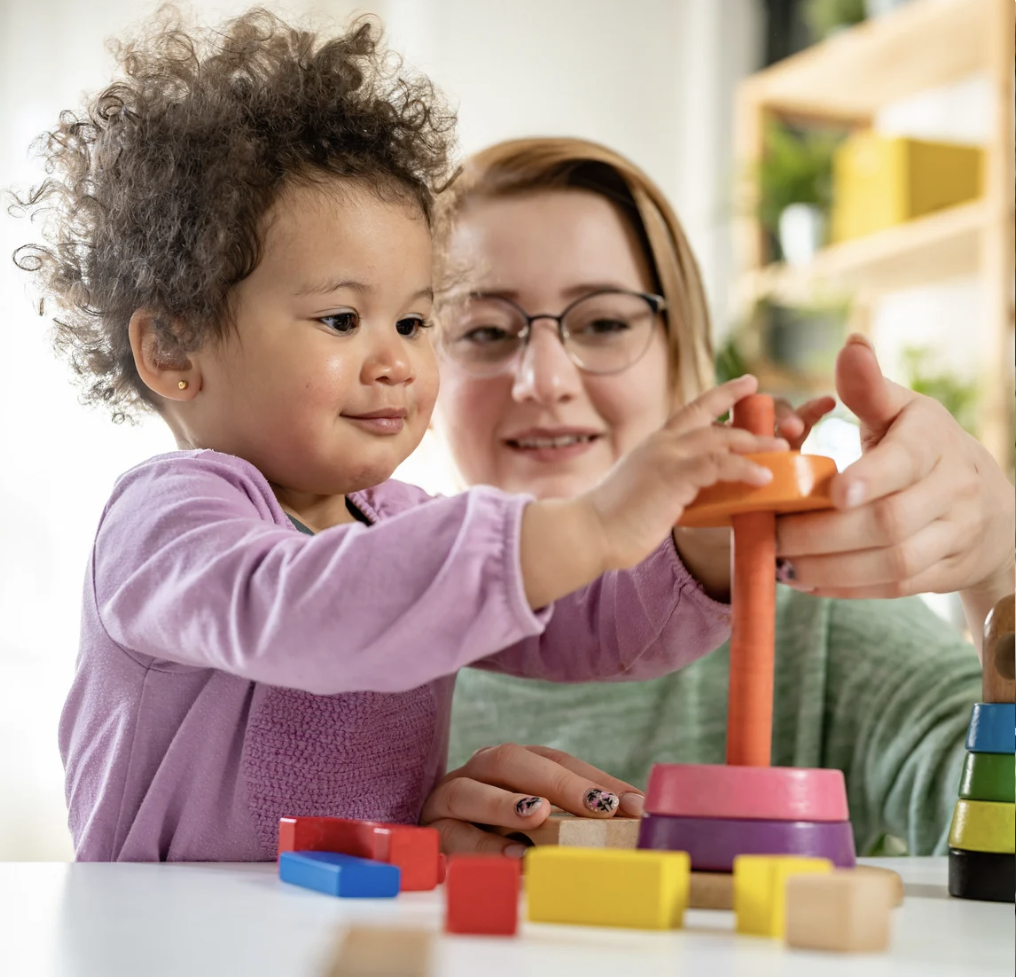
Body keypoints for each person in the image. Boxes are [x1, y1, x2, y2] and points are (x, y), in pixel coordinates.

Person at [15, 11, 792, 862]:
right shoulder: (167, 521)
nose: (397, 361)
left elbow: (583, 620)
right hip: (171, 951)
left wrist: (700, 550)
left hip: (354, 934)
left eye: (418, 321)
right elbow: (303, 607)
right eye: (343, 318)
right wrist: (593, 524)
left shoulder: (400, 522)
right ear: (172, 349)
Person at [435, 137, 1015, 856]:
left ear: (685, 355)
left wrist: (1000, 576)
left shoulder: (813, 624)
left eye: (605, 323)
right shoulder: (351, 627)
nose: (544, 380)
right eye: (485, 330)